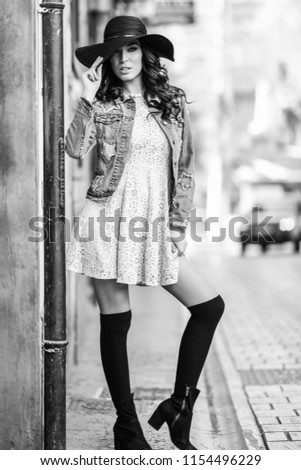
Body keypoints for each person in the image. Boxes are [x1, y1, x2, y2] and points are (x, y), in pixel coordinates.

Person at [65, 15, 225, 451]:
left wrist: (178, 224)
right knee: (116, 322)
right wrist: (83, 99)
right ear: (107, 59)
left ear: (145, 53)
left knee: (209, 307)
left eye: (131, 49)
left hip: (153, 223)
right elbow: (74, 149)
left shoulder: (171, 102)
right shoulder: (102, 104)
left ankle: (179, 405)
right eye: (115, 52)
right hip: (106, 217)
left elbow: (186, 169)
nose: (124, 59)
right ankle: (127, 426)